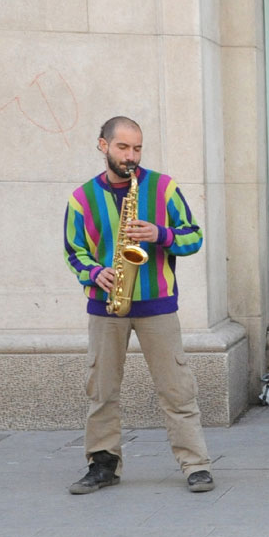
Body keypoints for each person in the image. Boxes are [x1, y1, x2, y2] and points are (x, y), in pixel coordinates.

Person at [63, 116, 215, 493]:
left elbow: (193, 237)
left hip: (156, 304)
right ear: (103, 145)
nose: (131, 156)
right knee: (101, 390)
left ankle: (195, 465)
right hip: (106, 305)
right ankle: (103, 465)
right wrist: (94, 272)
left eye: (137, 148)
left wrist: (160, 234)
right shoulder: (81, 198)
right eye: (122, 147)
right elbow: (73, 251)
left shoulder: (163, 188)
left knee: (177, 389)